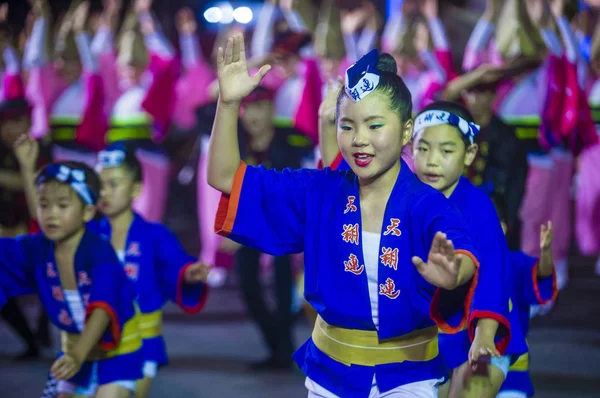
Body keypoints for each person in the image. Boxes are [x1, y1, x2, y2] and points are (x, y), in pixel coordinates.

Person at [207, 35, 498, 397]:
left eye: (375, 126)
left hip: (407, 378)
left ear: (407, 130)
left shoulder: (425, 203)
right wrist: (228, 102)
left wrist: (455, 274)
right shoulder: (318, 191)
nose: (359, 139)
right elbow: (224, 177)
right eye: (347, 126)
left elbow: (463, 253)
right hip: (330, 376)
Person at [0, 158, 144, 397]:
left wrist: (79, 354)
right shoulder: (37, 249)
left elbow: (102, 309)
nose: (51, 214)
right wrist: (26, 166)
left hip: (116, 350)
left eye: (63, 206)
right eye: (44, 205)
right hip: (72, 352)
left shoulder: (99, 251)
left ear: (87, 211)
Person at [92, 143, 210, 397]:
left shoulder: (154, 235)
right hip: (96, 341)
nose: (105, 192)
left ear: (136, 189)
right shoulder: (88, 236)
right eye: (100, 184)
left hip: (143, 342)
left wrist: (189, 273)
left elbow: (175, 264)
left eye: (114, 184)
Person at [490, 195, 557, 398]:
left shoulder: (517, 263)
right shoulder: (460, 268)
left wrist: (545, 252)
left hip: (511, 368)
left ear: (502, 227)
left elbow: (542, 275)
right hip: (471, 367)